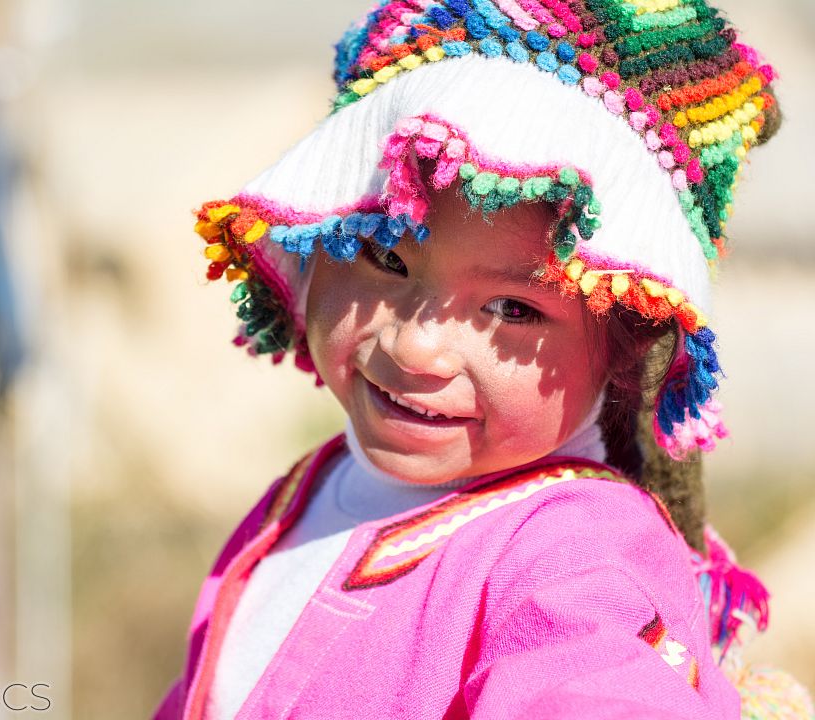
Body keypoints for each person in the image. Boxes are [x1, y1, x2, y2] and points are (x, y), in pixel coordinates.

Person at [156, 1, 813, 718]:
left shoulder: (575, 553)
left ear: (630, 346)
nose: (415, 346)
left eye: (513, 310)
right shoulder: (306, 495)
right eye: (385, 255)